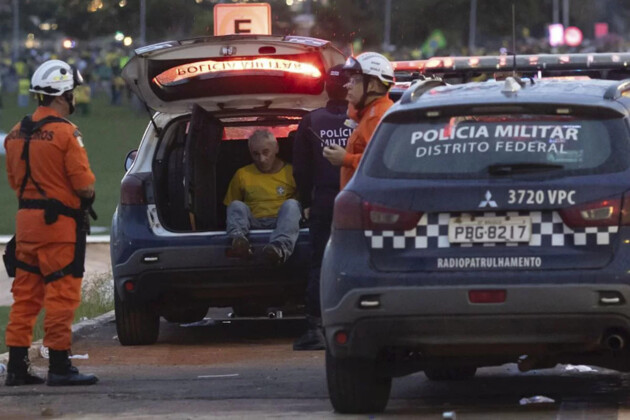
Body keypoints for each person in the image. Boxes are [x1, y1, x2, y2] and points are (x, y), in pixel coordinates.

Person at [3, 59, 98, 387]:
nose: (74, 98)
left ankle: (17, 367)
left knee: (26, 296)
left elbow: (15, 182)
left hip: (26, 225)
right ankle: (59, 365)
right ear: (61, 95)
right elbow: (84, 185)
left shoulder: (14, 134)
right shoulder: (65, 134)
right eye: (72, 92)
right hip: (58, 228)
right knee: (62, 295)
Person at [292, 65, 349, 351]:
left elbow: (300, 170)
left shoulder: (311, 122)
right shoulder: (367, 120)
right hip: (358, 198)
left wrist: (306, 202)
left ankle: (314, 326)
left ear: (326, 88)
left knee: (320, 263)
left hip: (325, 201)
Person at [224, 129, 301, 265]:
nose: (261, 159)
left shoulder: (292, 172)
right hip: (253, 223)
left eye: (266, 152)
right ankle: (239, 242)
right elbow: (231, 206)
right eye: (256, 154)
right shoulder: (242, 174)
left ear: (276, 148)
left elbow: (300, 206)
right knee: (236, 205)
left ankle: (279, 248)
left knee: (292, 205)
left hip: (281, 222)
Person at [323, 52, 395, 189]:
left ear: (372, 85)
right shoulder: (369, 114)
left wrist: (346, 159)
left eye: (354, 80)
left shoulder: (377, 117)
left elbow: (384, 163)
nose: (347, 86)